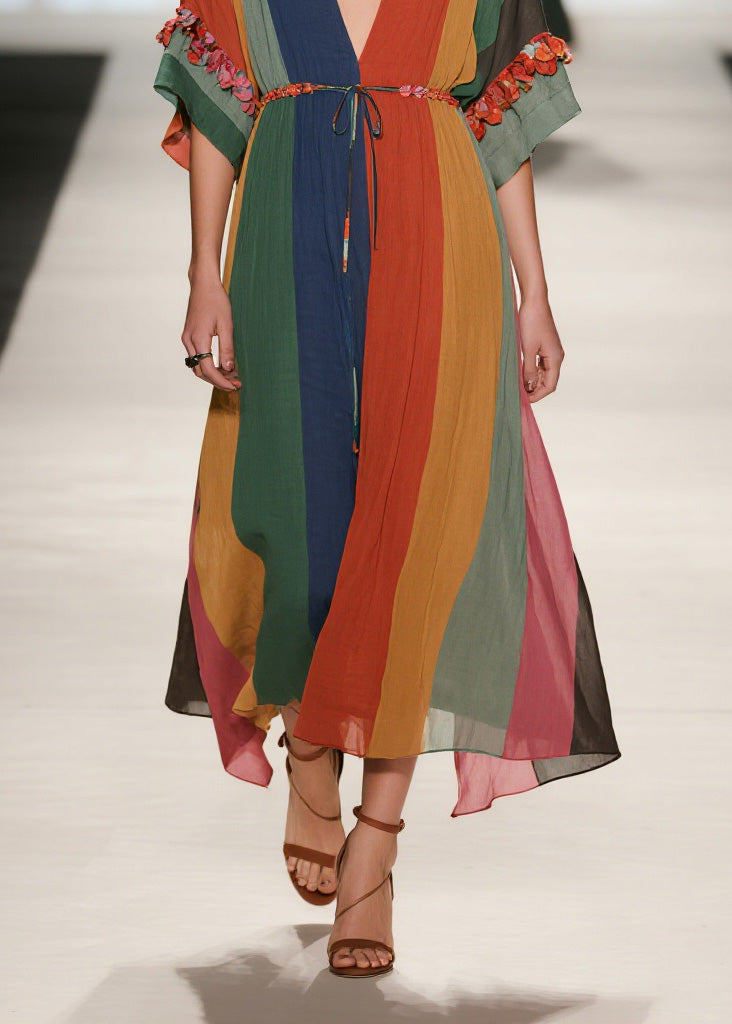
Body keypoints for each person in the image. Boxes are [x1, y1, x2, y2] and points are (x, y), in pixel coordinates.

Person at [153, 0, 621, 979]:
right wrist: (203, 270)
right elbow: (218, 118)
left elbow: (498, 120)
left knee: (417, 535)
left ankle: (376, 837)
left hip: (441, 240)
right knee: (294, 526)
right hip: (283, 237)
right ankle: (309, 750)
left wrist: (536, 291)